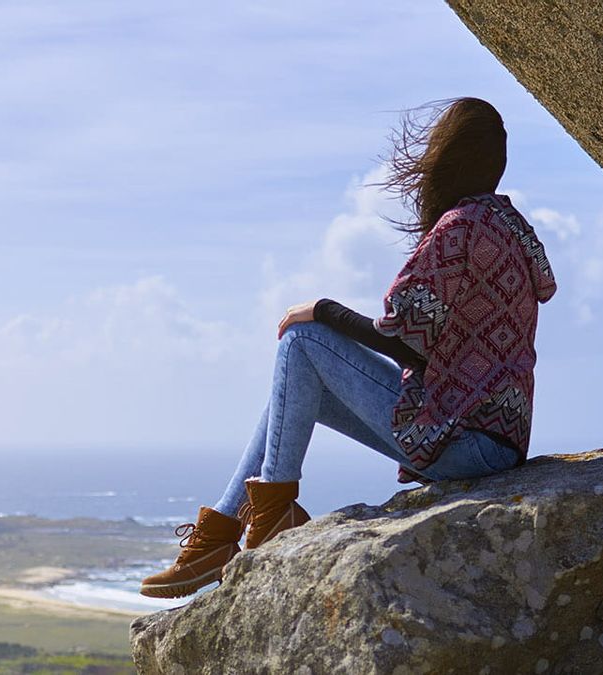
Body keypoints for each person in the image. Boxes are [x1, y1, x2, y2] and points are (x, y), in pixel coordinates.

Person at [139, 97, 558, 600]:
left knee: (301, 341)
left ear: (447, 155)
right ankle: (223, 531)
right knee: (296, 388)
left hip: (463, 445)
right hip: (499, 444)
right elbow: (425, 352)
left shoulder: (461, 229)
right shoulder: (512, 229)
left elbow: (401, 340)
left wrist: (322, 310)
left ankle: (266, 518)